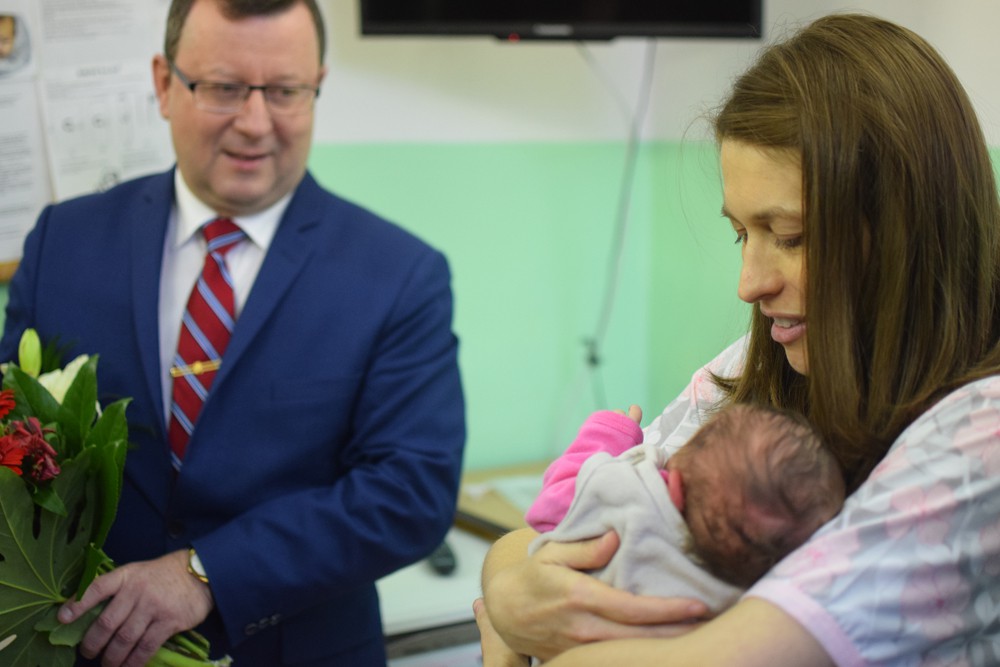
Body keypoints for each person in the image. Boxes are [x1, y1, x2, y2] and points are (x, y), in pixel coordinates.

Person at [476, 13, 1000, 667]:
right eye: (741, 235)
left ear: (906, 232)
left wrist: (514, 622)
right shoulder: (760, 362)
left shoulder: (983, 431)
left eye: (792, 237)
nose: (749, 284)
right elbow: (552, 528)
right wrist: (507, 589)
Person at [0, 1, 465, 665]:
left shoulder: (398, 274)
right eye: (223, 88)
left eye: (285, 91)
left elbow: (411, 492)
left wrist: (206, 572)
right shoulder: (64, 243)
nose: (255, 123)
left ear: (316, 87)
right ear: (164, 84)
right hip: (85, 646)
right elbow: (12, 435)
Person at [526, 403, 844, 613]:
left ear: (673, 486)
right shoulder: (735, 601)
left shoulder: (634, 495)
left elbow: (549, 509)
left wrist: (607, 434)